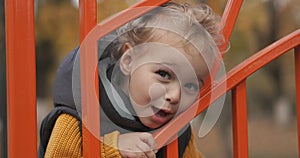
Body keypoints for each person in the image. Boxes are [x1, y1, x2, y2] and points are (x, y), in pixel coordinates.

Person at [38, 1, 223, 157]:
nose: (175, 95)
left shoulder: (180, 137)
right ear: (128, 61)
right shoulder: (75, 120)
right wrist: (110, 147)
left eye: (190, 85)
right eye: (164, 74)